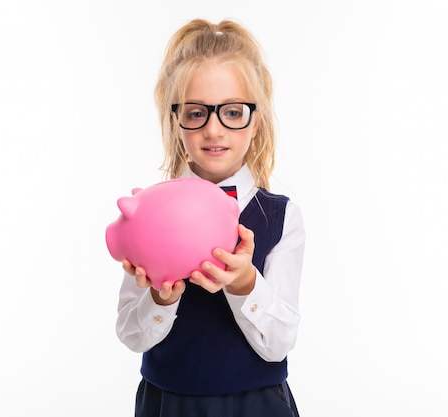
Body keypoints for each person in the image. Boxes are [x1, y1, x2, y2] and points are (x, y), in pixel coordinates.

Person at [115, 18, 306, 417]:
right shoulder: (150, 212)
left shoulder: (281, 216)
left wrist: (244, 283)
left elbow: (279, 342)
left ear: (256, 122)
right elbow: (131, 335)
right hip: (168, 403)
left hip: (257, 405)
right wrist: (159, 298)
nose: (214, 130)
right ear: (176, 120)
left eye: (233, 112)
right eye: (197, 112)